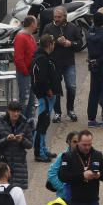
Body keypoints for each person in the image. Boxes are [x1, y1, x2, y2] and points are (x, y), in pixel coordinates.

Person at [42, 6, 83, 123]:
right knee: (56, 88)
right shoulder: (48, 27)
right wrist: (55, 41)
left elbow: (80, 43)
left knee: (71, 86)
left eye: (59, 17)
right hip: (54, 63)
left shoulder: (73, 27)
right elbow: (42, 42)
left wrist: (70, 43)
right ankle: (57, 112)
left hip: (69, 62)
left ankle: (70, 109)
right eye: (55, 17)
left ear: (65, 16)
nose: (57, 19)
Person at [0, 101, 34, 190]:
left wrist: (22, 140)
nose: (16, 114)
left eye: (18, 111)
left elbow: (30, 145)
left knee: (17, 194)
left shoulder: (25, 124)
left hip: (20, 165)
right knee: (3, 194)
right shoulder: (0, 124)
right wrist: (6, 139)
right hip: (3, 164)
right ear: (8, 111)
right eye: (13, 111)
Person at [30, 34, 60, 163]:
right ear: (49, 44)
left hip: (47, 95)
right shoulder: (42, 58)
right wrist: (48, 90)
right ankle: (39, 152)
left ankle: (43, 148)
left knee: (45, 123)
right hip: (45, 95)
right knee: (42, 124)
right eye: (53, 42)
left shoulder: (43, 57)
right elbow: (42, 78)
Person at [12, 17, 38, 118]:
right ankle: (21, 121)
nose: (37, 24)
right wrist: (26, 72)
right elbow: (18, 58)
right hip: (25, 73)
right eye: (36, 22)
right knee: (24, 99)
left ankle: (29, 122)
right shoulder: (21, 37)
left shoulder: (30, 36)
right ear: (32, 24)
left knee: (31, 100)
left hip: (30, 72)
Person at [46, 132, 79, 202]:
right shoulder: (62, 156)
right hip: (64, 198)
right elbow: (51, 173)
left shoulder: (85, 156)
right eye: (75, 142)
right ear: (69, 142)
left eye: (79, 142)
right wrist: (62, 188)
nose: (77, 144)